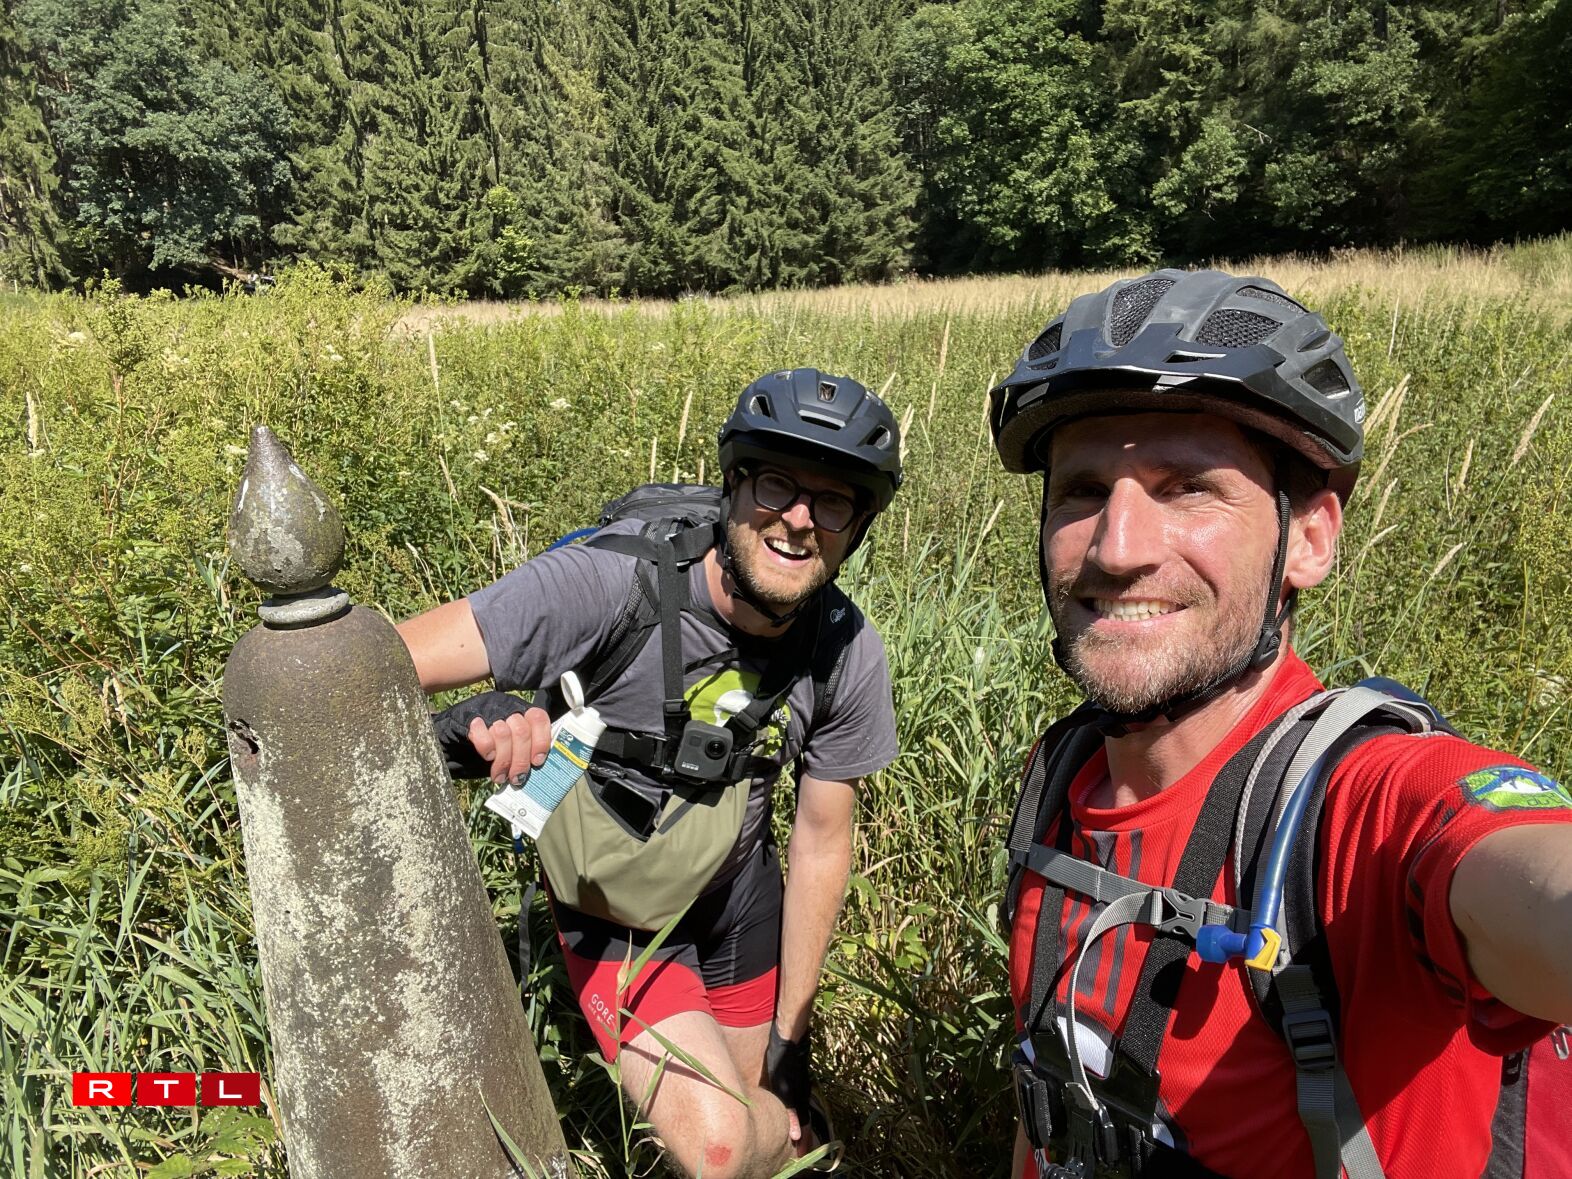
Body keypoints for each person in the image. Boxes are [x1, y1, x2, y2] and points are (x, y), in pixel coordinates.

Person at [987, 269, 1572, 1179]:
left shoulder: (1353, 808)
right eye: (1083, 490)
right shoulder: (1061, 774)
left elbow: (1529, 878)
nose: (1116, 546)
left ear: (1309, 538)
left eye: (1188, 487)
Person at [397, 368, 902, 1179]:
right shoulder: (610, 584)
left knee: (770, 1134)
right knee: (723, 1144)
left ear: (859, 528)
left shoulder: (844, 650)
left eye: (835, 501)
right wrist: (459, 727)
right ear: (733, 484)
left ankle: (799, 1142)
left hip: (735, 895)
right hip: (611, 894)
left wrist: (791, 1038)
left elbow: (820, 840)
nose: (800, 519)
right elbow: (373, 666)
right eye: (776, 484)